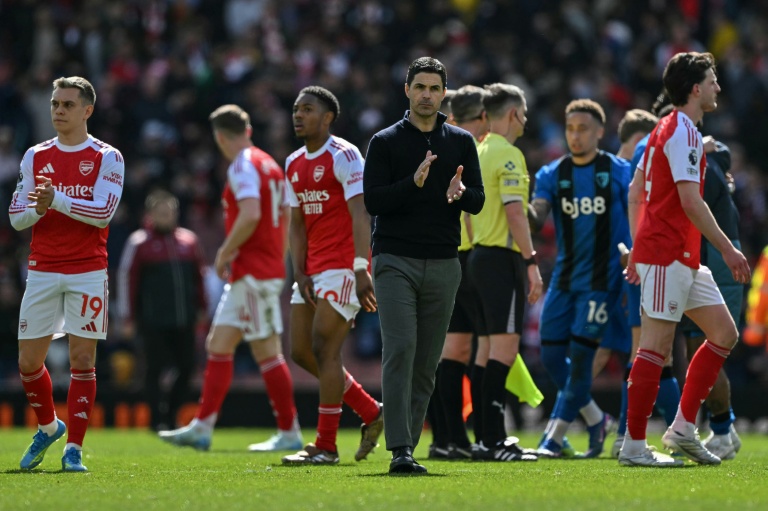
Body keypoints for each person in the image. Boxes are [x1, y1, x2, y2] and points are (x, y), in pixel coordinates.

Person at [620, 51, 751, 467]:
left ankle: (680, 429)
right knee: (655, 348)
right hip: (667, 252)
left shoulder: (664, 129)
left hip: (682, 256)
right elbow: (690, 201)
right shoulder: (684, 133)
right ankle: (635, 445)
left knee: (724, 333)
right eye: (712, 80)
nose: (717, 87)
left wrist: (637, 247)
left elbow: (636, 191)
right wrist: (729, 248)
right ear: (695, 89)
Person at [363, 57, 485, 475]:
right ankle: (400, 448)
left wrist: (461, 192)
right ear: (407, 91)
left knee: (427, 361)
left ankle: (408, 447)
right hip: (395, 259)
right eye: (420, 87)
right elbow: (373, 202)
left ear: (444, 92)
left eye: (435, 88)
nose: (427, 95)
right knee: (401, 350)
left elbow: (479, 201)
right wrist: (411, 184)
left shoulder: (462, 142)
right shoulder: (384, 142)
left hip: (445, 261)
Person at [159, 104, 302, 452]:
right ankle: (202, 427)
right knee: (218, 345)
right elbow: (285, 215)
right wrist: (277, 260)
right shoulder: (270, 164)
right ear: (248, 129)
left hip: (252, 272)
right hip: (257, 271)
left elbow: (251, 213)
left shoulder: (242, 166)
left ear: (220, 137)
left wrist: (225, 251)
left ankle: (290, 432)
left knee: (267, 352)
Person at [10, 76, 125, 472]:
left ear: (87, 111)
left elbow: (104, 212)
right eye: (55, 104)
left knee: (82, 359)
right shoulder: (35, 155)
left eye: (67, 105)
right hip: (42, 268)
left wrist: (55, 199)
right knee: (28, 362)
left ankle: (73, 448)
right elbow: (15, 217)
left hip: (88, 270)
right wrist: (38, 209)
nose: (58, 111)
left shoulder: (107, 156)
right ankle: (48, 426)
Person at [281, 86, 383, 465]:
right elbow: (295, 222)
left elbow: (360, 213)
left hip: (342, 265)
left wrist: (361, 266)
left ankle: (325, 446)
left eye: (307, 109)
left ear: (327, 118)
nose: (298, 115)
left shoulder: (345, 155)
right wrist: (299, 271)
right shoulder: (292, 162)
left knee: (326, 349)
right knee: (301, 352)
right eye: (296, 109)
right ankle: (371, 410)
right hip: (313, 269)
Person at [530, 99, 631, 458]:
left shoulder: (619, 171)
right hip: (564, 279)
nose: (575, 135)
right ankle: (595, 418)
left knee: (581, 356)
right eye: (570, 128)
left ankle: (553, 437)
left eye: (583, 128)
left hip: (602, 282)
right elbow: (538, 211)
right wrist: (521, 212)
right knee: (553, 357)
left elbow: (638, 216)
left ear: (600, 132)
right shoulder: (552, 174)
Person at [604, 107, 684, 457]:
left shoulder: (607, 170)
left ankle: (627, 431)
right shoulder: (637, 165)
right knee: (650, 354)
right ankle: (669, 427)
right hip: (643, 264)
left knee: (642, 353)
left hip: (625, 267)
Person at [468, 83, 541, 462]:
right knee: (504, 351)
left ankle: (485, 438)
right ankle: (494, 440)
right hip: (501, 259)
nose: (525, 120)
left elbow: (465, 212)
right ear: (513, 113)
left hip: (478, 257)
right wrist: (530, 262)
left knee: (484, 353)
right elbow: (515, 211)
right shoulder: (508, 155)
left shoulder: (477, 150)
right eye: (524, 113)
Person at [427, 84, 488, 460]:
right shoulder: (467, 151)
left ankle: (449, 439)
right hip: (463, 258)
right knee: (477, 349)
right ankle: (466, 437)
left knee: (454, 351)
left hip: (452, 258)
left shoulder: (447, 147)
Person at [117, 190, 208, 431]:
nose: (166, 216)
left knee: (187, 367)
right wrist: (128, 317)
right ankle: (156, 420)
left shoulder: (189, 241)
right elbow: (127, 279)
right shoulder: (139, 243)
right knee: (153, 370)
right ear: (150, 215)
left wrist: (202, 307)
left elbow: (199, 278)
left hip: (184, 318)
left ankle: (171, 415)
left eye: (170, 212)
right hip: (152, 320)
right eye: (161, 212)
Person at [678, 136, 743, 460]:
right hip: (710, 253)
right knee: (701, 349)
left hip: (712, 255)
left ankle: (720, 430)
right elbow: (725, 153)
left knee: (708, 346)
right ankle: (721, 428)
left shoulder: (693, 162)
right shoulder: (709, 157)